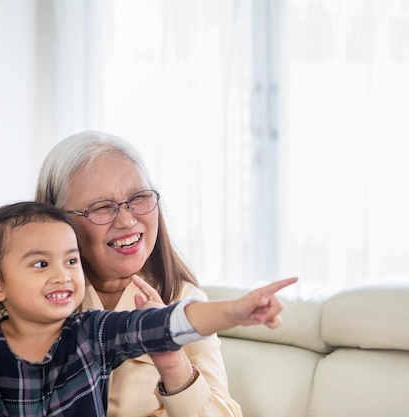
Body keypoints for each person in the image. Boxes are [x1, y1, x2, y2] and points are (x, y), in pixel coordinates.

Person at [0, 201, 297, 417]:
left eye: (71, 261)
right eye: (41, 265)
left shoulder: (93, 332)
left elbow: (169, 323)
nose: (63, 276)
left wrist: (237, 309)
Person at [33, 130, 249, 416]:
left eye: (139, 197)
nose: (127, 219)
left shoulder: (184, 300)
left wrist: (173, 364)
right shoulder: (23, 294)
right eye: (101, 208)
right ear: (58, 222)